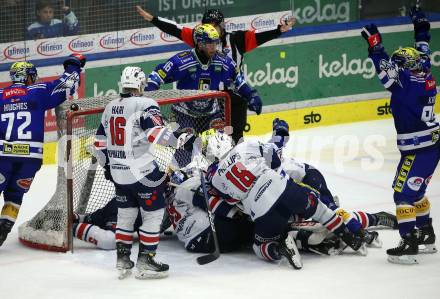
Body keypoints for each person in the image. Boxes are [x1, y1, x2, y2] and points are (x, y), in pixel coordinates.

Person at [206, 120, 366, 269]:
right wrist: (269, 169)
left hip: (262, 210)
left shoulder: (214, 178)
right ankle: (350, 236)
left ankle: (279, 249)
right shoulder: (245, 146)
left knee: (259, 246)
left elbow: (231, 200)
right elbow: (273, 156)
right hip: (283, 187)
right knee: (320, 209)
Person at [93, 66, 195, 279]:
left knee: (125, 216)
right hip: (143, 173)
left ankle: (122, 259)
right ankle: (146, 260)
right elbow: (156, 134)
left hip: (118, 173)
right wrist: (183, 142)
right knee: (153, 215)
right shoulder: (146, 104)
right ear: (140, 84)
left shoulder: (110, 106)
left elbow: (98, 144)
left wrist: (107, 167)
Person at [137, 6, 294, 143]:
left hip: (230, 97)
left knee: (229, 141)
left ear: (222, 26)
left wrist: (250, 93)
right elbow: (175, 29)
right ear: (199, 43)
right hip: (209, 98)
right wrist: (153, 19)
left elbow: (240, 75)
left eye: (215, 28)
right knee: (187, 147)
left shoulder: (236, 40)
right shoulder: (197, 41)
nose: (213, 44)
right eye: (207, 27)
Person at [361, 6, 438, 264]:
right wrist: (421, 26)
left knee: (402, 194)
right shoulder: (425, 71)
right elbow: (423, 47)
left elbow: (384, 70)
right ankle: (426, 234)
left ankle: (409, 242)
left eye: (398, 64)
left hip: (417, 149)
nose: (395, 67)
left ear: (404, 67)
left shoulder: (403, 83)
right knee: (415, 191)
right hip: (432, 145)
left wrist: (375, 46)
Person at [145, 23, 262, 167]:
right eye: (209, 43)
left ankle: (220, 180)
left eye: (216, 43)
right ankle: (175, 181)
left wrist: (251, 95)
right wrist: (150, 94)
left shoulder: (223, 61)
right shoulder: (182, 61)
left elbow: (238, 80)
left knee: (221, 148)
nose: (214, 47)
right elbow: (157, 75)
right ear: (199, 44)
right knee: (184, 152)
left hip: (211, 113)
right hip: (184, 114)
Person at [0, 54, 85, 247]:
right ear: (28, 77)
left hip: (2, 157)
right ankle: (3, 228)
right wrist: (74, 63)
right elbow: (69, 83)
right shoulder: (38, 91)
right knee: (14, 196)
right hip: (30, 161)